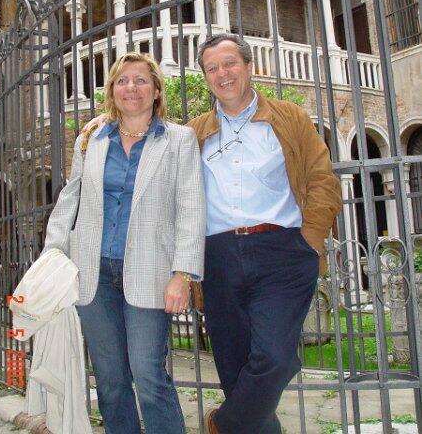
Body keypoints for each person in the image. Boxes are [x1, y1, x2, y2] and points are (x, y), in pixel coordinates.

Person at [83, 35, 342, 434]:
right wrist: (107, 122)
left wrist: (308, 241)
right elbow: (171, 184)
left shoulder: (289, 117)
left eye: (230, 63)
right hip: (218, 256)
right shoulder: (194, 132)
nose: (223, 74)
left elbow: (322, 180)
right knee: (235, 368)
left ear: (249, 67)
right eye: (212, 68)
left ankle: (222, 423)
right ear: (205, 77)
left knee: (276, 358)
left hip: (282, 250)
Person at [43, 52, 205, 434]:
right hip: (93, 272)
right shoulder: (91, 140)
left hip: (151, 271)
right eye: (122, 81)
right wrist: (53, 253)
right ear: (112, 91)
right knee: (111, 380)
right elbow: (70, 198)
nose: (131, 87)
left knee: (149, 375)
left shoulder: (179, 140)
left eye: (141, 80)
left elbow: (191, 207)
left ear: (156, 91)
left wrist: (183, 274)